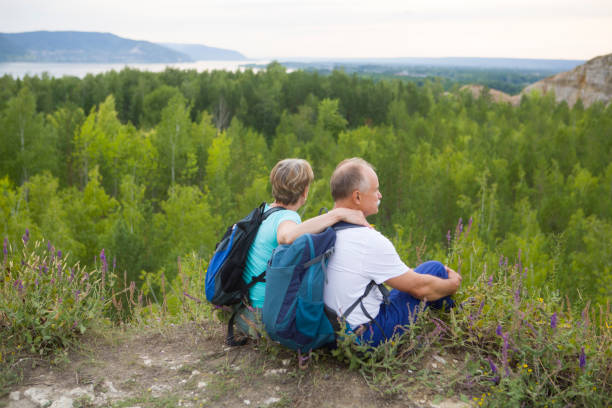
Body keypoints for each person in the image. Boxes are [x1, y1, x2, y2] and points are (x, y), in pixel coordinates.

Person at [323, 158, 461, 346]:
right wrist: (452, 285)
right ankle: (457, 324)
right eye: (375, 190)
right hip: (363, 338)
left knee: (417, 276)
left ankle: (451, 319)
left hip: (327, 331)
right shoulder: (368, 240)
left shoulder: (321, 230)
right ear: (357, 197)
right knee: (435, 269)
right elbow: (420, 288)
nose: (379, 195)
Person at [236, 158, 369, 336]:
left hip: (243, 313)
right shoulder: (287, 218)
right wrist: (336, 215)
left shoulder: (264, 212)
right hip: (262, 321)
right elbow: (287, 236)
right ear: (305, 191)